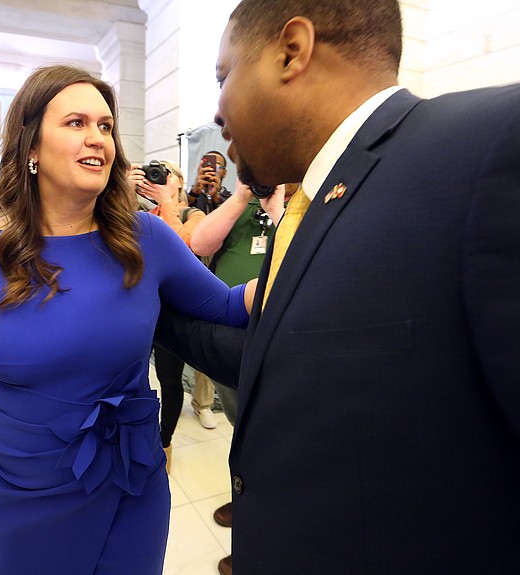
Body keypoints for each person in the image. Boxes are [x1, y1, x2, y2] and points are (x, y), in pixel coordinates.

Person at [0, 64, 256, 575]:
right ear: (31, 147)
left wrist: (310, 268)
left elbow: (224, 304)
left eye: (105, 126)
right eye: (77, 123)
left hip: (129, 481)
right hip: (27, 494)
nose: (98, 138)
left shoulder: (145, 238)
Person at [155, 1, 520, 573]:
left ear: (292, 52)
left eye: (223, 77)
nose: (218, 109)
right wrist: (143, 308)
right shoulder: (308, 206)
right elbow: (279, 361)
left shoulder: (490, 147)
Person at [189, 162, 286, 574]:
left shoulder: (299, 204)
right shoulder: (238, 203)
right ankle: (246, 498)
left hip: (278, 334)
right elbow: (200, 243)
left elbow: (296, 248)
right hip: (234, 332)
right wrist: (244, 196)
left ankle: (261, 533)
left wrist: (276, 200)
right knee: (239, 426)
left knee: (273, 436)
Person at [128, 159, 214, 469]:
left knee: (169, 380)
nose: (157, 178)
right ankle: (134, 435)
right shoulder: (140, 215)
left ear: (178, 180)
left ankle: (165, 444)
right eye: (153, 174)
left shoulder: (195, 214)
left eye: (165, 173)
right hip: (139, 309)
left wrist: (167, 204)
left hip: (173, 313)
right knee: (131, 374)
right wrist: (124, 191)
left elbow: (183, 246)